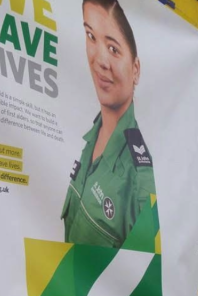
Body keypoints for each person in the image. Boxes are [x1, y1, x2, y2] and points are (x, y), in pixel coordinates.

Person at [63, 0, 159, 249]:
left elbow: (144, 278)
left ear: (135, 69)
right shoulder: (88, 139)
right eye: (91, 36)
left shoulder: (138, 177)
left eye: (114, 49)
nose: (101, 60)